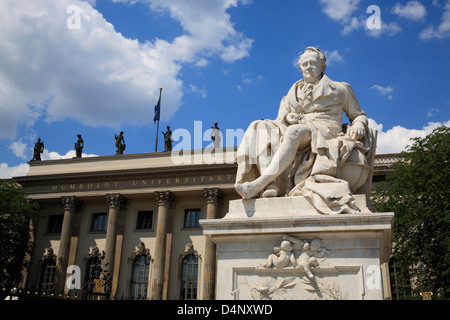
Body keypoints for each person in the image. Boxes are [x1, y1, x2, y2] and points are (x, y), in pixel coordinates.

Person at [235, 47, 374, 214]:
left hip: (325, 129)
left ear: (322, 66)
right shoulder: (292, 93)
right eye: (305, 64)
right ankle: (273, 184)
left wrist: (359, 123)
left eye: (313, 63)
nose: (309, 67)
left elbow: (358, 115)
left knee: (294, 132)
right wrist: (288, 118)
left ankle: (260, 182)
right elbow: (281, 118)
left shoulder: (339, 89)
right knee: (258, 126)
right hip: (298, 127)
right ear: (300, 68)